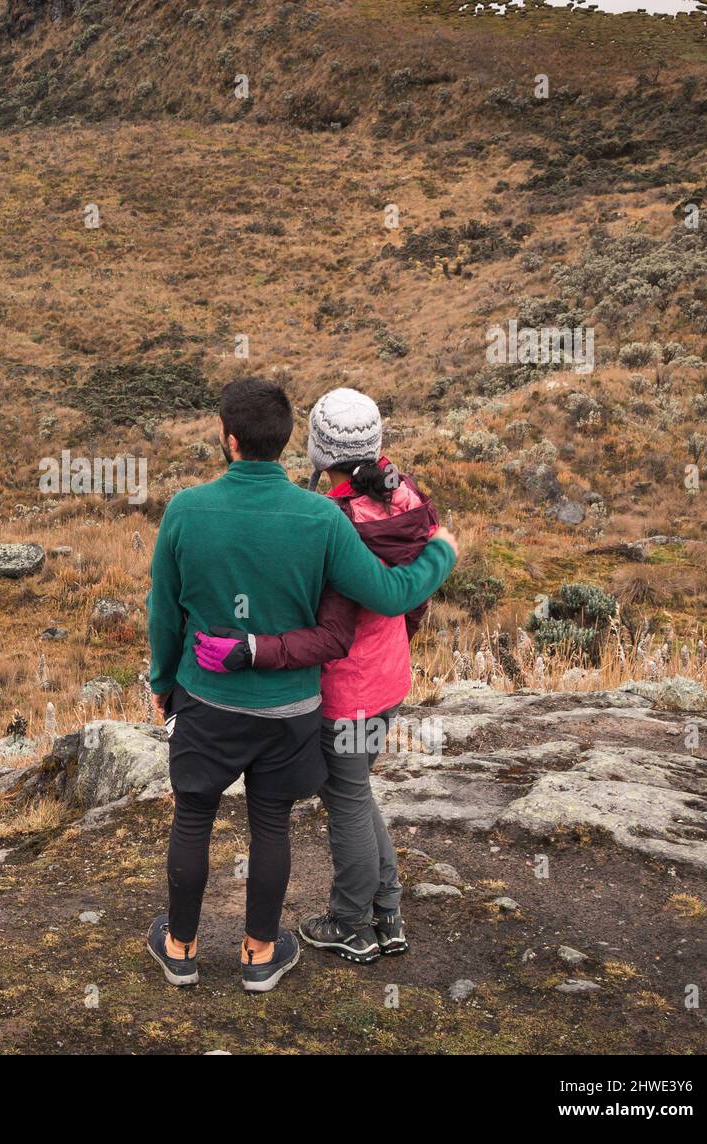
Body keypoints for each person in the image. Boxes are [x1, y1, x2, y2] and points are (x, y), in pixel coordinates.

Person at [146, 378, 458, 991]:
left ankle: (181, 949)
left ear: (228, 439)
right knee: (275, 823)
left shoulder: (185, 508)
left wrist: (164, 681)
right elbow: (390, 594)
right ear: (287, 442)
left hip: (214, 697)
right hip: (296, 705)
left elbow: (165, 611)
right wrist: (442, 552)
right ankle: (261, 955)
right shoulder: (329, 515)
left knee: (193, 818)